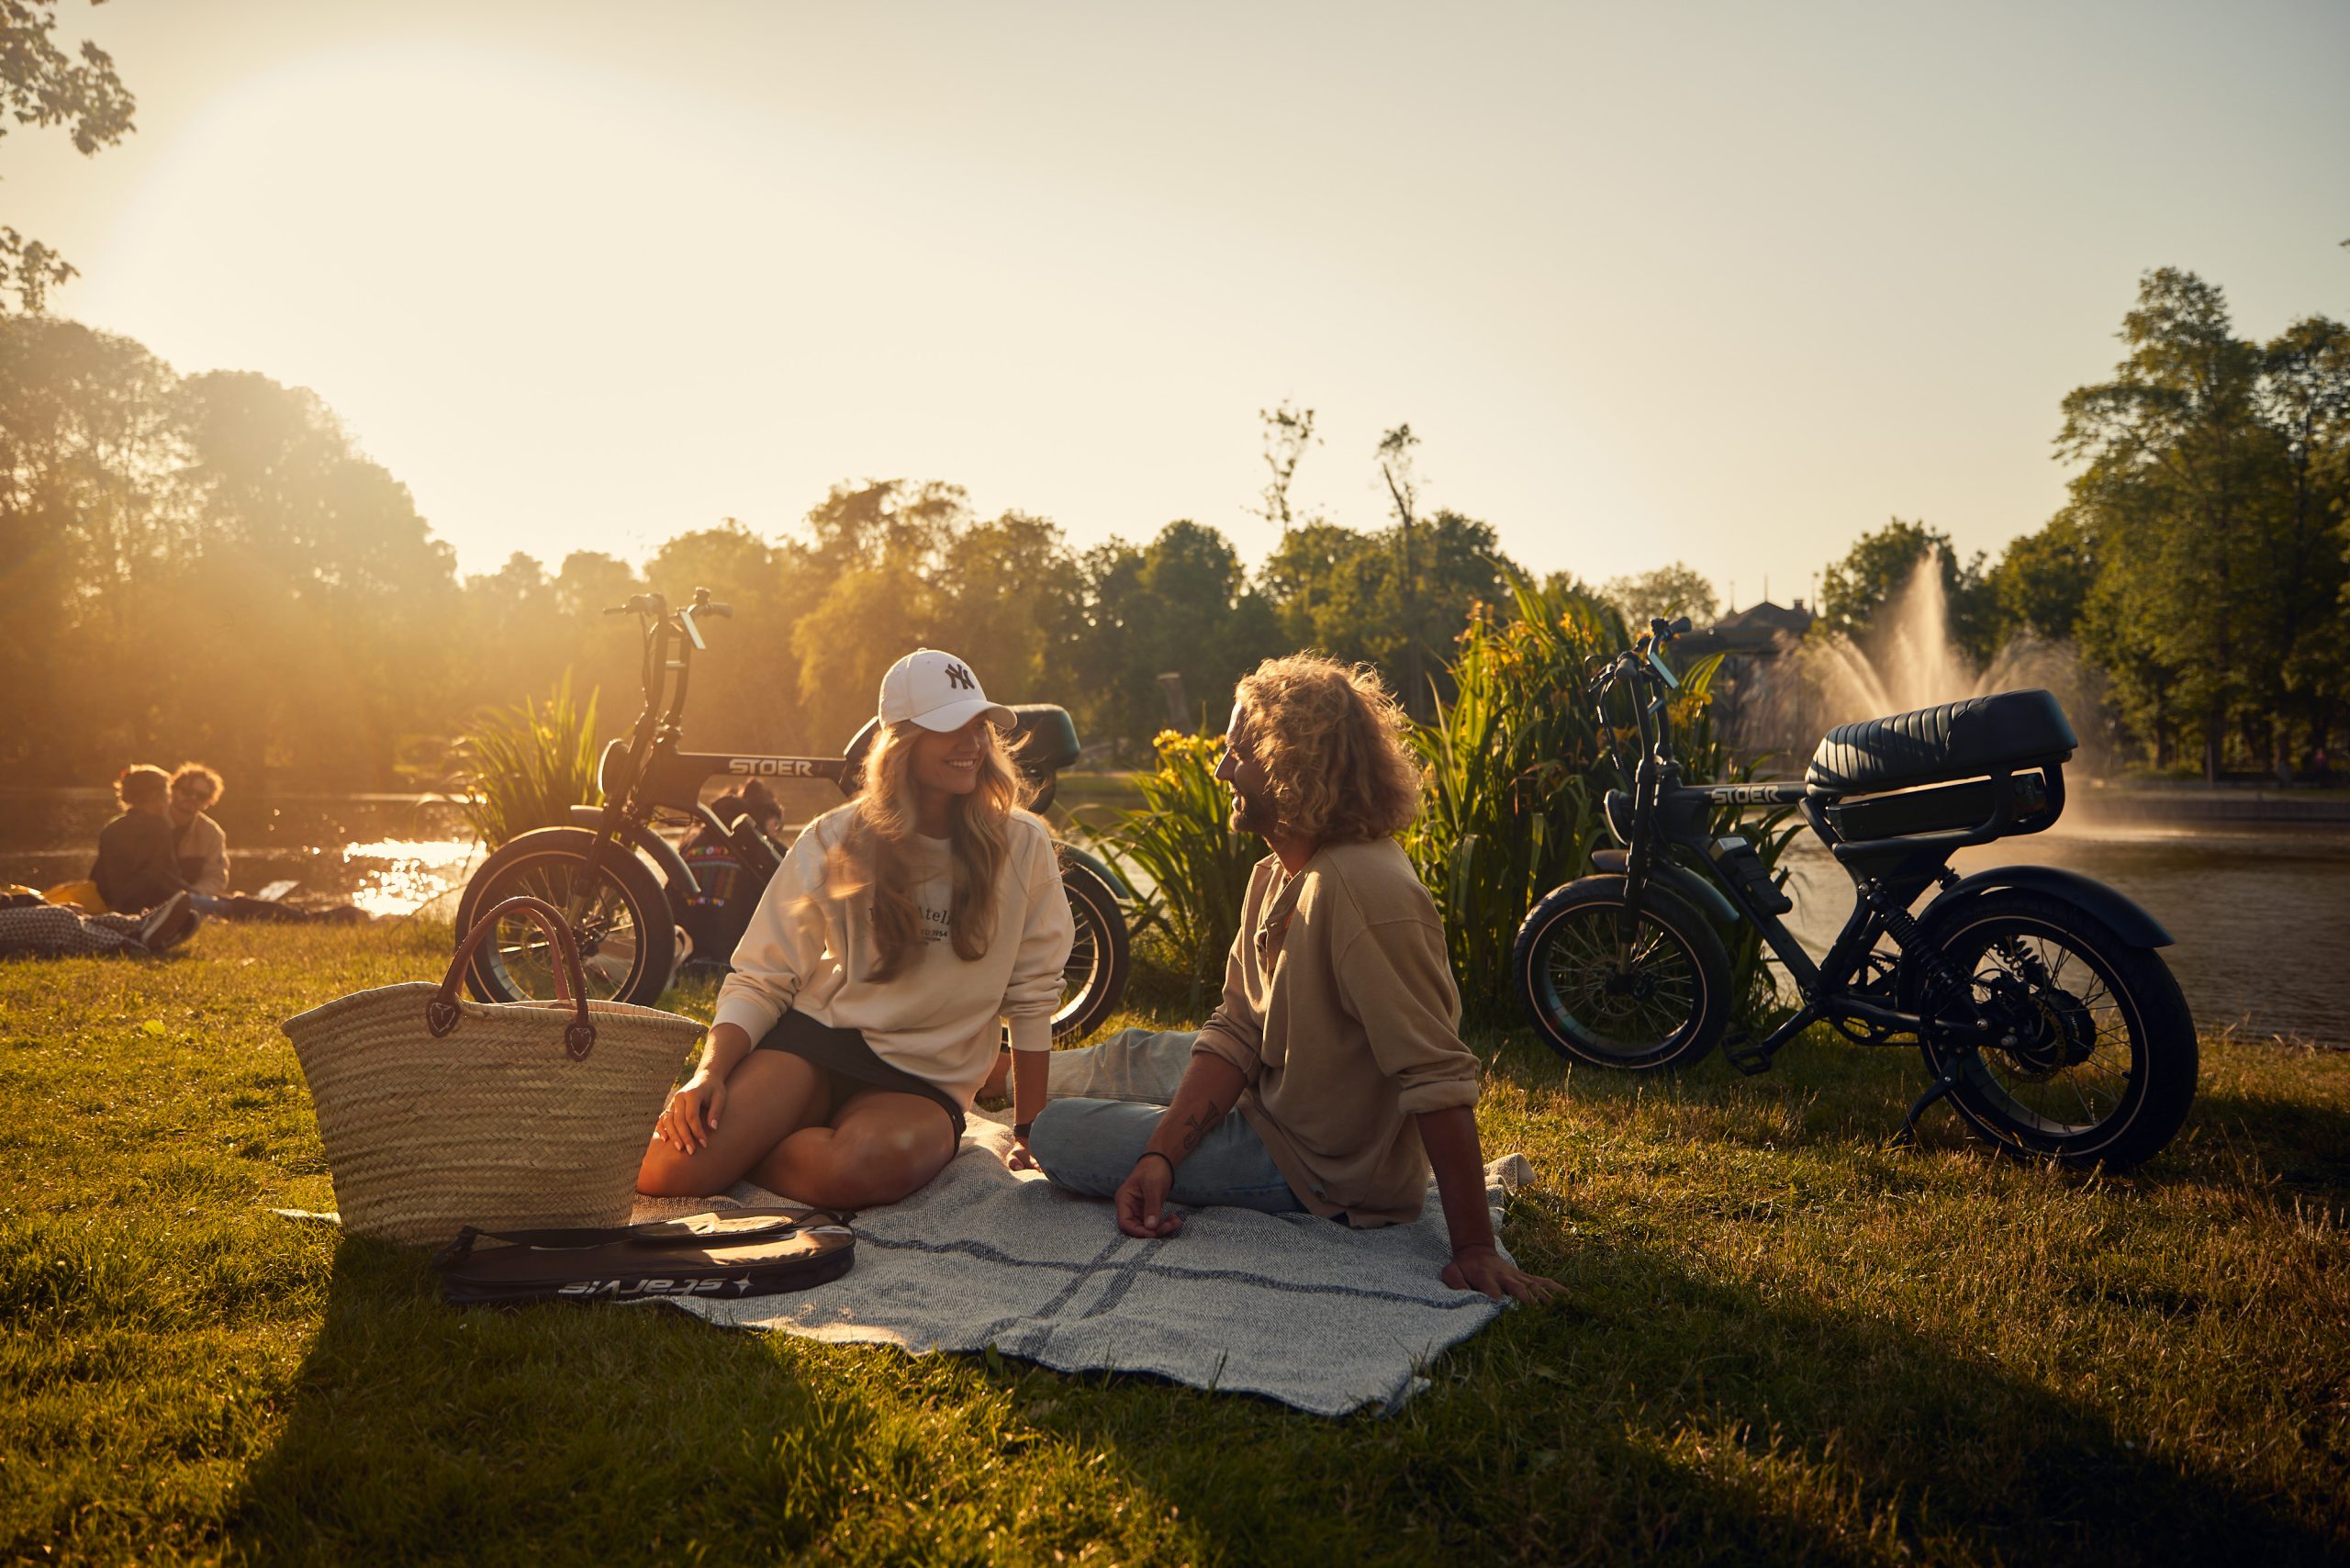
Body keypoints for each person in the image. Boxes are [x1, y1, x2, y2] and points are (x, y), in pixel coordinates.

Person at [1024, 654, 1562, 1305]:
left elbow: (1436, 1076)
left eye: (1238, 754)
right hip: (1268, 1098)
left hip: (1321, 1172)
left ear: (1292, 766)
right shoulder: (1274, 874)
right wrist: (1161, 1153)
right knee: (1140, 1053)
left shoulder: (1366, 891)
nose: (1223, 769)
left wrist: (1474, 1245)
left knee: (1057, 1133)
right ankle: (994, 1076)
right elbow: (1237, 1031)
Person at [636, 649, 1075, 1209]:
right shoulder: (834, 837)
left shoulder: (1023, 844)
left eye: (979, 726)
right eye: (950, 728)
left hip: (923, 1081)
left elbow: (1033, 994)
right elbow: (763, 975)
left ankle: (751, 1154)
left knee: (857, 1170)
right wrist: (710, 1073)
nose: (972, 744)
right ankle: (752, 1147)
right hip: (816, 1043)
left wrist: (1030, 1126)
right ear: (903, 742)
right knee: (666, 1170)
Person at [91, 766, 190, 915]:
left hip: (116, 903)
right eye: (167, 793)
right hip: (161, 902)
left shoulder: (111, 827)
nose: (169, 799)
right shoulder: (158, 826)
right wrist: (132, 910)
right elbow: (154, 874)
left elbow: (99, 875)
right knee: (224, 905)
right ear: (155, 796)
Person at [165, 763, 230, 911]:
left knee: (226, 907)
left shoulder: (212, 834)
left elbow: (216, 876)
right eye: (187, 791)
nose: (193, 798)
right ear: (173, 790)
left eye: (201, 796)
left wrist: (193, 895)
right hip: (151, 896)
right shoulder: (151, 822)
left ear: (209, 801)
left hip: (191, 900)